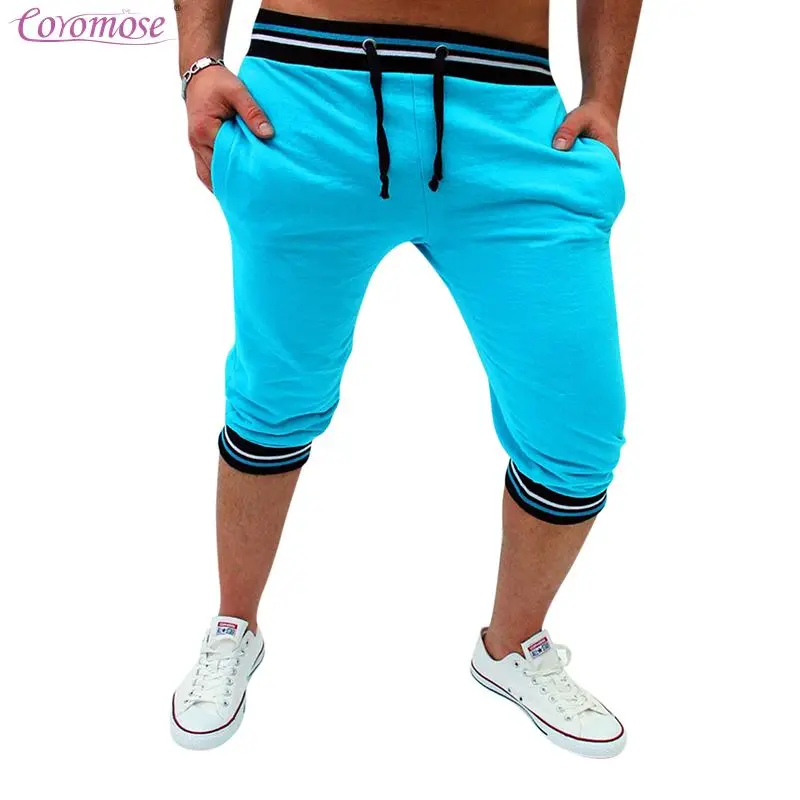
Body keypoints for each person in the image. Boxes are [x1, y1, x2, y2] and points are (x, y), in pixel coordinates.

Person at [170, 0, 642, 757]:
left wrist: (606, 98)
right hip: (308, 103)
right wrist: (198, 62)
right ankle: (234, 628)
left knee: (578, 432)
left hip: (512, 119)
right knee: (276, 398)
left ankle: (511, 646)